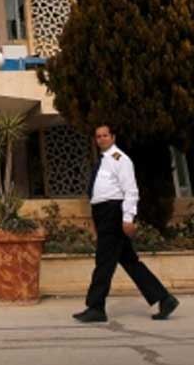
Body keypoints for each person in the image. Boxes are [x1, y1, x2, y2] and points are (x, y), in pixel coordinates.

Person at [73, 122, 179, 323]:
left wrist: (128, 218)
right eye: (98, 136)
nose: (101, 139)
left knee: (104, 261)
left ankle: (96, 307)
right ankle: (165, 299)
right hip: (103, 213)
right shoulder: (103, 161)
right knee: (130, 261)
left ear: (113, 137)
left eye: (105, 135)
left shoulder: (120, 159)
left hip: (113, 213)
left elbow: (131, 190)